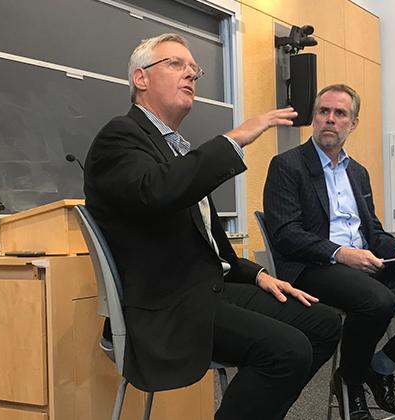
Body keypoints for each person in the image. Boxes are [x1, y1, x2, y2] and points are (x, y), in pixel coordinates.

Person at [84, 33, 342, 420]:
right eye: (175, 64)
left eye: (194, 69)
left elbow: (211, 248)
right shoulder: (120, 137)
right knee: (288, 349)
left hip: (208, 290)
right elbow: (156, 192)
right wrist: (234, 138)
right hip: (168, 306)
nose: (190, 74)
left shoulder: (176, 151)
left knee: (323, 324)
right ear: (140, 79)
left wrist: (257, 275)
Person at [263, 84, 395, 420]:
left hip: (366, 265)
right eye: (323, 112)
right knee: (378, 300)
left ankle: (380, 366)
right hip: (314, 266)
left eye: (340, 114)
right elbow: (286, 234)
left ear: (354, 123)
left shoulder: (357, 173)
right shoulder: (287, 166)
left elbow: (373, 232)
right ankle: (350, 382)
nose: (330, 120)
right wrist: (341, 253)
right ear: (314, 118)